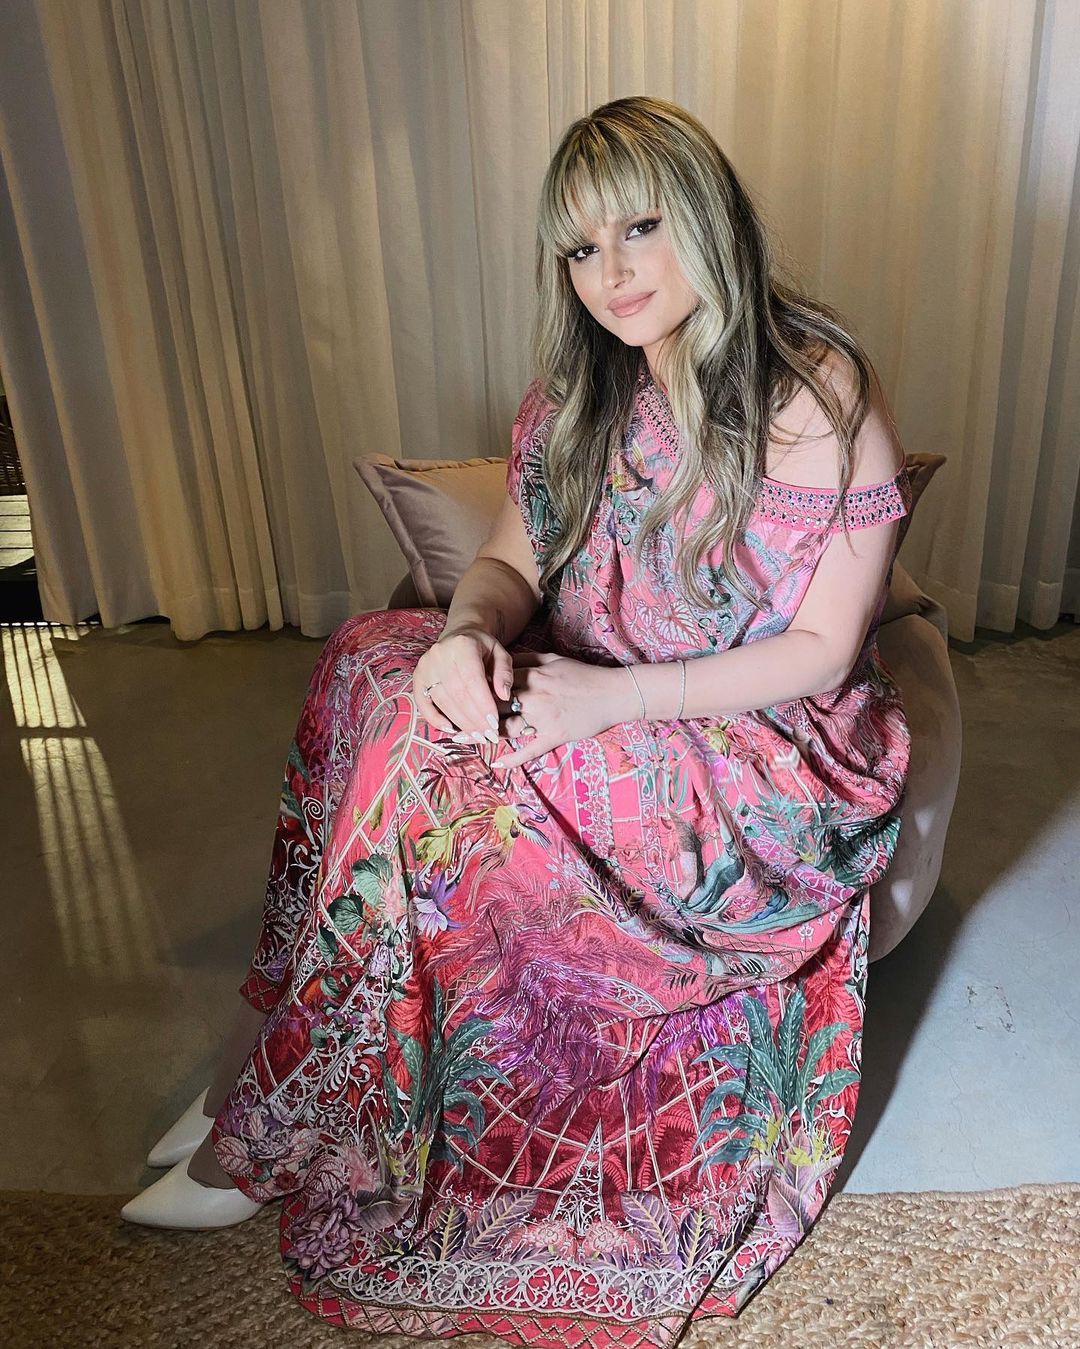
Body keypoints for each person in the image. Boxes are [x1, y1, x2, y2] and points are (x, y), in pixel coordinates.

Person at [122, 94, 912, 1345]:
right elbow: (504, 564)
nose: (612, 272)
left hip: (765, 751)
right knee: (370, 664)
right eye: (581, 247)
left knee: (437, 779)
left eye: (640, 227)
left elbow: (818, 653)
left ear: (707, 215)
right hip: (604, 682)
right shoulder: (583, 393)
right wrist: (465, 633)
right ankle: (269, 1050)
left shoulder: (815, 389)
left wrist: (609, 697)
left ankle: (264, 1105)